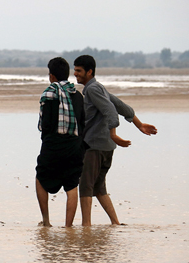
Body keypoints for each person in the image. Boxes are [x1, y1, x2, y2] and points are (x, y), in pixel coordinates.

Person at [73, 55, 157, 226]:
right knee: (99, 187)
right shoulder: (98, 87)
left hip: (94, 145)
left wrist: (113, 134)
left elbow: (111, 111)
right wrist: (139, 124)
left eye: (79, 70)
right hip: (106, 147)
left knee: (86, 185)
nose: (75, 74)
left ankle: (86, 226)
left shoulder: (92, 89)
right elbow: (120, 105)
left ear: (89, 72)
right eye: (74, 70)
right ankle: (116, 223)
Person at [36, 57, 86, 227]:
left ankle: (46, 221)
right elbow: (82, 122)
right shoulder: (77, 95)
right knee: (72, 184)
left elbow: (46, 124)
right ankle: (68, 226)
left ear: (51, 76)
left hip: (53, 143)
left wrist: (47, 141)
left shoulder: (49, 93)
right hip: (75, 145)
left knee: (41, 177)